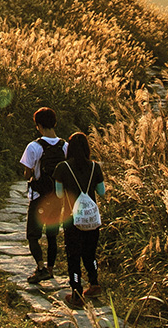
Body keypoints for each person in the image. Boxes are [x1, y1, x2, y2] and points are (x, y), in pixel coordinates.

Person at [53, 131, 106, 308]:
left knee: (73, 256)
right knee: (90, 253)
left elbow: (60, 194)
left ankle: (76, 293)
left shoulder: (62, 167)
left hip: (72, 218)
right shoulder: (95, 167)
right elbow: (102, 192)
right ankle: (94, 283)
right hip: (91, 217)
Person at [19, 106, 67, 284]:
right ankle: (51, 269)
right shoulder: (65, 146)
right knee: (52, 235)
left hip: (39, 196)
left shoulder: (33, 147)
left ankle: (40, 267)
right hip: (56, 196)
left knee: (33, 235)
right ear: (54, 123)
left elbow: (27, 174)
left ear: (38, 125)